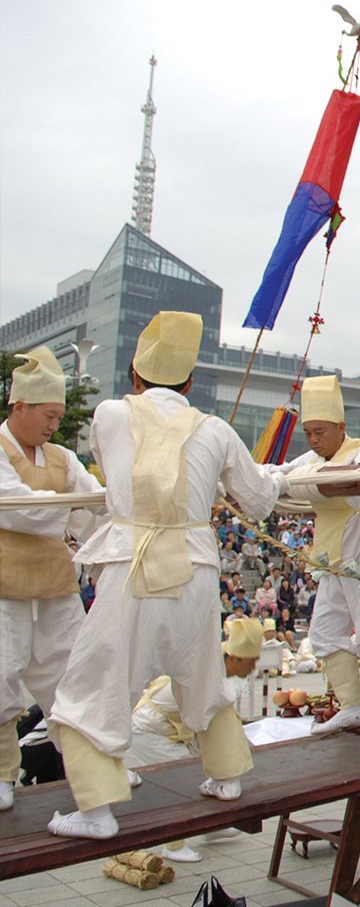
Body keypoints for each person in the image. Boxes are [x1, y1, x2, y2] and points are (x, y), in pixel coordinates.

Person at [47, 311, 290, 839]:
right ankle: (226, 777)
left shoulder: (110, 414)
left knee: (95, 682)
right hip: (195, 567)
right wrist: (274, 474)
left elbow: (108, 469)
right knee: (200, 669)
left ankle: (95, 810)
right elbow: (261, 499)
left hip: (130, 561)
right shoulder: (217, 429)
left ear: (134, 375)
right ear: (191, 382)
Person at [272, 376, 360, 732]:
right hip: (331, 551)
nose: (315, 439)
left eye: (320, 431)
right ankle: (350, 705)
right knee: (324, 630)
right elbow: (281, 473)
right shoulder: (311, 459)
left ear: (340, 427)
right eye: (309, 433)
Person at [0, 347, 104, 813]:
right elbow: (21, 510)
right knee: (1, 680)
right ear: (18, 407)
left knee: (74, 679)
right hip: (5, 587)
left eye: (59, 417)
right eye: (47, 415)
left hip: (57, 584)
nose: (53, 426)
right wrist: (69, 506)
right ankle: (3, 775)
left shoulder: (62, 456)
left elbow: (95, 503)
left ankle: (93, 773)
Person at [124, 618, 266, 864]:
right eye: (250, 661)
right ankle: (173, 845)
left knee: (202, 779)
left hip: (173, 730)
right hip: (148, 732)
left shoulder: (216, 670)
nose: (254, 668)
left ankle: (211, 827)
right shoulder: (206, 675)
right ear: (233, 658)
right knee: (181, 784)